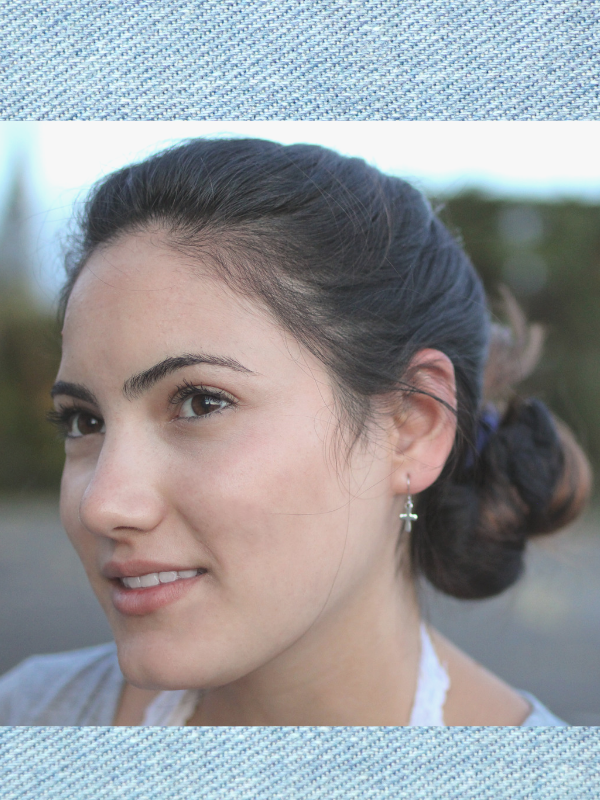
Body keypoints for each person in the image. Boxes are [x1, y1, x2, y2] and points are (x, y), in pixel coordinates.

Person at [0, 138, 591, 726]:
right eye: (85, 421)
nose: (102, 504)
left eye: (201, 403)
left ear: (412, 426)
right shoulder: (30, 714)